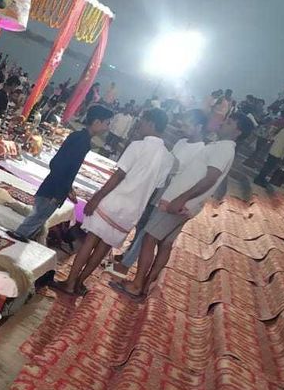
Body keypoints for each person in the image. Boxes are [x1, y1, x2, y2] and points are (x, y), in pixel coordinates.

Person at [113, 113, 251, 300]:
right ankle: (145, 285)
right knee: (165, 245)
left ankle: (137, 285)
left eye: (229, 122)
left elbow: (210, 178)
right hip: (185, 203)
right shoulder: (221, 147)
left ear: (238, 131)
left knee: (149, 238)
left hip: (179, 203)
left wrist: (181, 199)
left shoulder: (225, 149)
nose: (223, 124)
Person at [53, 109, 175, 296]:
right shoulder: (168, 158)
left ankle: (70, 283)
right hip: (133, 210)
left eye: (142, 121)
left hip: (114, 201)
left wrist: (97, 197)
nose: (139, 125)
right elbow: (156, 186)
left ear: (151, 123)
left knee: (89, 242)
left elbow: (119, 175)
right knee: (103, 248)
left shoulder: (138, 146)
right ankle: (79, 282)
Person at [112, 109, 208, 274]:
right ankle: (128, 254)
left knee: (148, 231)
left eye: (189, 122)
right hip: (161, 188)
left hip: (173, 195)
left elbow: (192, 178)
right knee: (142, 224)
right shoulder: (182, 142)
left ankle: (126, 265)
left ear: (199, 127)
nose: (183, 124)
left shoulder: (201, 150)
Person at [7, 105, 114, 243]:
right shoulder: (81, 141)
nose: (108, 127)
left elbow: (65, 167)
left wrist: (68, 188)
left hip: (55, 186)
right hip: (54, 189)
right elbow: (59, 165)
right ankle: (17, 238)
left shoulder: (81, 139)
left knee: (39, 218)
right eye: (107, 123)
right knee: (36, 218)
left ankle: (22, 238)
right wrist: (58, 192)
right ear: (97, 122)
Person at [254, 109, 284, 186]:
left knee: (267, 166)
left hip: (273, 150)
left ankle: (259, 178)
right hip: (279, 153)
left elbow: (274, 139)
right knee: (269, 168)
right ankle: (259, 180)